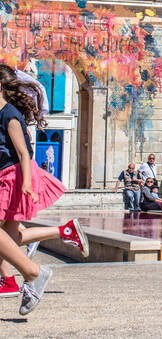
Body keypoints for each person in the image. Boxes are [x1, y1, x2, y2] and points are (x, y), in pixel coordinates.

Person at [0, 64, 89, 311]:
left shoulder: (9, 114)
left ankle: (32, 273)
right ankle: (61, 237)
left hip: (13, 177)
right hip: (5, 176)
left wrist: (27, 183)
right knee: (11, 236)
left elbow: (23, 153)